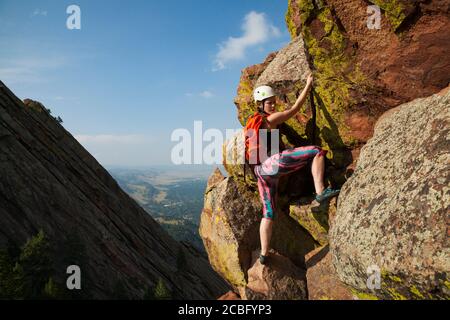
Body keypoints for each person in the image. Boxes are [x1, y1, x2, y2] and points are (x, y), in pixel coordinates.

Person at [248, 73, 340, 265]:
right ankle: (321, 192)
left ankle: (264, 254)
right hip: (272, 166)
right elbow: (296, 108)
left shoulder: (253, 123)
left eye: (274, 102)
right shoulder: (270, 120)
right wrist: (308, 84)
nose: (273, 106)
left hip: (260, 173)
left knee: (269, 213)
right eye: (269, 103)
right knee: (316, 151)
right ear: (261, 104)